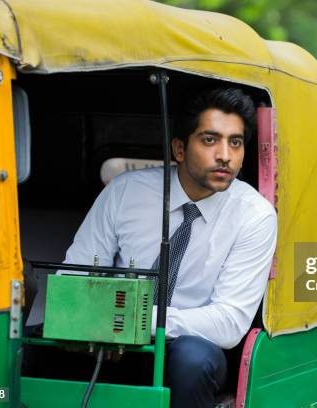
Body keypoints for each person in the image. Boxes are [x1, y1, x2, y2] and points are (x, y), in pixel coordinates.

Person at [62, 88, 277, 407]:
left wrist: (137, 321)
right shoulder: (126, 192)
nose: (225, 155)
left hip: (194, 351)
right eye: (210, 140)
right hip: (113, 345)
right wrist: (103, 323)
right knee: (35, 350)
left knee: (192, 358)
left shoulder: (254, 215)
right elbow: (73, 279)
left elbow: (230, 321)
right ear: (179, 148)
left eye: (235, 142)